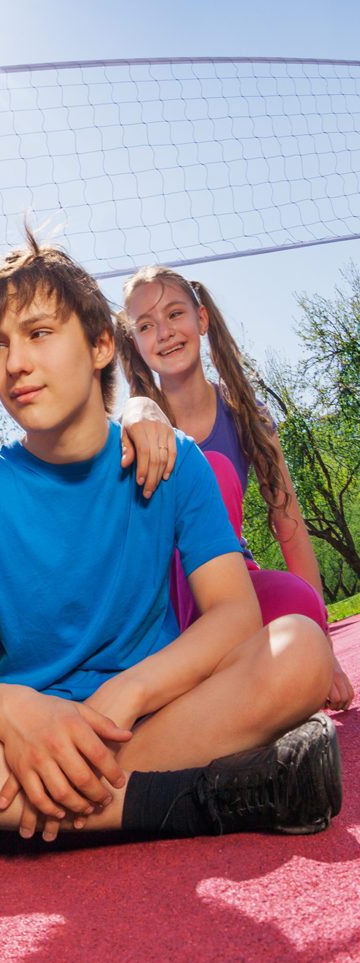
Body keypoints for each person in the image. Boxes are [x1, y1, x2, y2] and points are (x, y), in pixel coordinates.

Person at [0, 231, 341, 895]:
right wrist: (18, 716)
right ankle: (185, 800)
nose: (15, 361)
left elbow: (236, 615)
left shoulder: (175, 459)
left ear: (101, 345)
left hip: (154, 718)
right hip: (25, 740)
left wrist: (127, 693)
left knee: (298, 650)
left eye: (39, 332)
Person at [118, 266, 350, 704]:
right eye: (146, 326)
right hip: (164, 595)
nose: (164, 332)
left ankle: (224, 659)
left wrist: (323, 644)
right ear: (135, 343)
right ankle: (191, 663)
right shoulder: (137, 424)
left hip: (231, 582)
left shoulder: (246, 415)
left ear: (202, 320)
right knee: (213, 473)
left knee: (299, 603)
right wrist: (136, 411)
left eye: (174, 314)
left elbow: (289, 524)